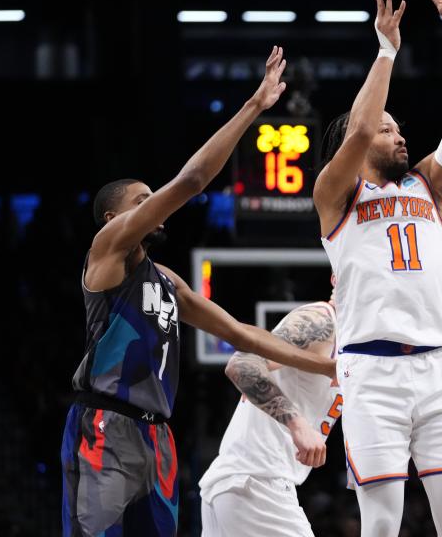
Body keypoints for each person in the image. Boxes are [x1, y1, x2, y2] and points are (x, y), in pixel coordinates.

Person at [60, 46, 337, 536]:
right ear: (114, 218)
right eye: (143, 201)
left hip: (158, 432)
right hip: (106, 421)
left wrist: (330, 365)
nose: (155, 207)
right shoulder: (107, 253)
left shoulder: (168, 282)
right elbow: (190, 180)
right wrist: (254, 106)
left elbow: (243, 336)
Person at [314, 0, 442, 537]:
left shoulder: (430, 187)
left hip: (439, 367)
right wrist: (386, 48)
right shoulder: (335, 196)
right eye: (388, 131)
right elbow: (362, 125)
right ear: (355, 149)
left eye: (398, 129)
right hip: (370, 372)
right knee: (382, 523)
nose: (398, 135)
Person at [199, 298, 341, 536]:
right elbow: (241, 364)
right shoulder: (322, 320)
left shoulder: (359, 342)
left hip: (241, 484)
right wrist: (298, 425)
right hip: (257, 484)